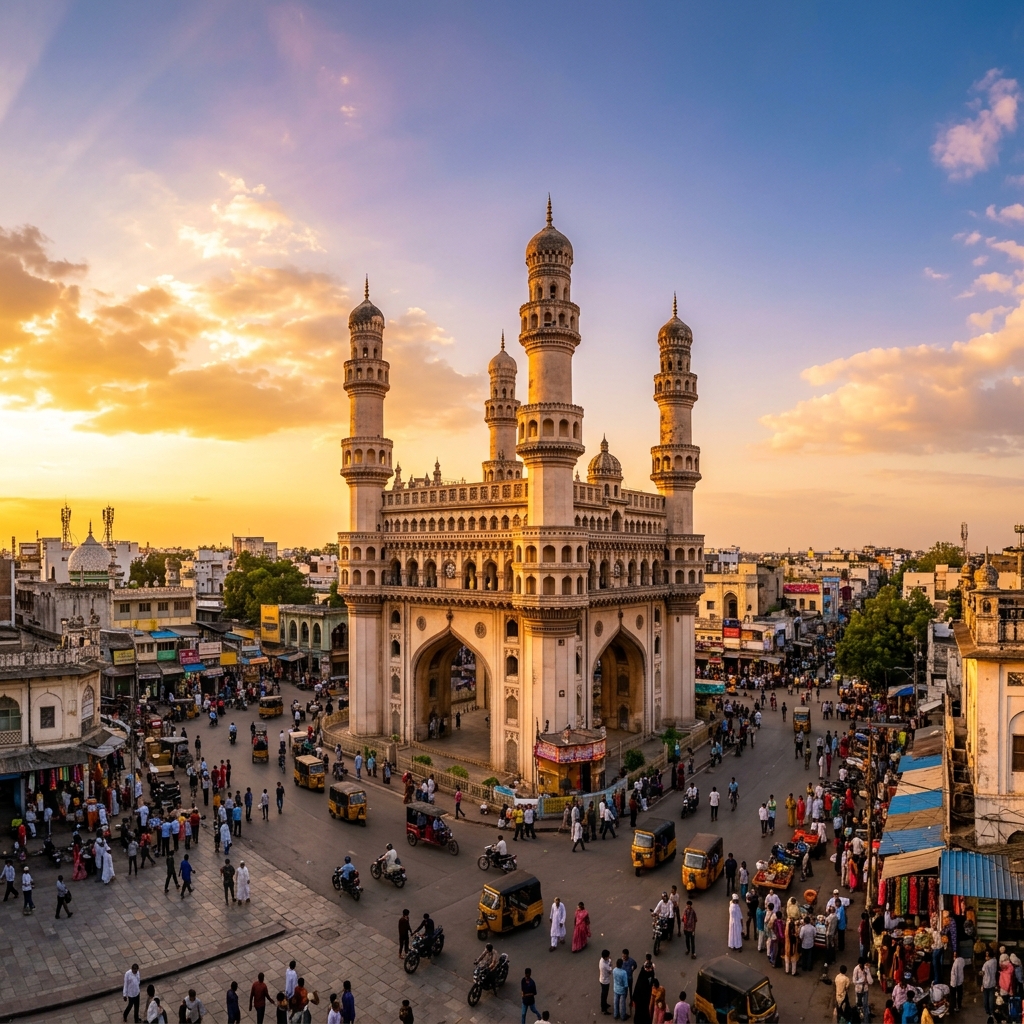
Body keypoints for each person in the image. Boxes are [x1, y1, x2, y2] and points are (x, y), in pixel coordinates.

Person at [854, 957, 874, 1024]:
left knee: (865, 1005)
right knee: (858, 1006)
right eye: (861, 964)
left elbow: (871, 982)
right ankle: (857, 1021)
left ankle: (866, 1022)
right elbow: (854, 981)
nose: (862, 966)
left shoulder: (866, 969)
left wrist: (868, 973)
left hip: (865, 990)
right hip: (858, 990)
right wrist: (861, 981)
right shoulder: (856, 969)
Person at [599, 950, 613, 1016]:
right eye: (607, 956)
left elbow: (608, 961)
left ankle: (605, 1004)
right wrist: (610, 963)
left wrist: (609, 960)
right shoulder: (604, 965)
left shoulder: (602, 960)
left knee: (604, 994)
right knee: (604, 995)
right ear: (605, 957)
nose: (608, 957)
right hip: (605, 981)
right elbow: (610, 970)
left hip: (602, 979)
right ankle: (603, 1009)